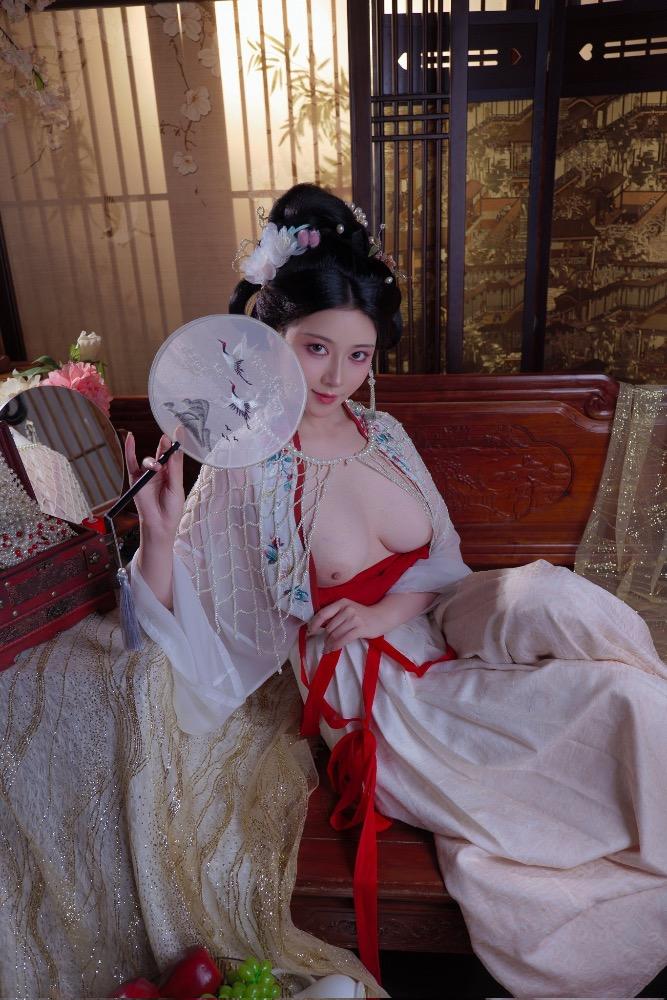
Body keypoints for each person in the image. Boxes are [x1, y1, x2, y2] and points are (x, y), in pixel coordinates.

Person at [128, 183, 667, 998]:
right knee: (617, 706)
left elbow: (443, 559)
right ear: (271, 336)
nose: (336, 375)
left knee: (628, 691)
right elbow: (190, 621)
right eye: (315, 348)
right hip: (379, 694)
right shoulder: (249, 461)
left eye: (358, 355)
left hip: (443, 631)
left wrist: (391, 605)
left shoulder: (385, 432)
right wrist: (160, 536)